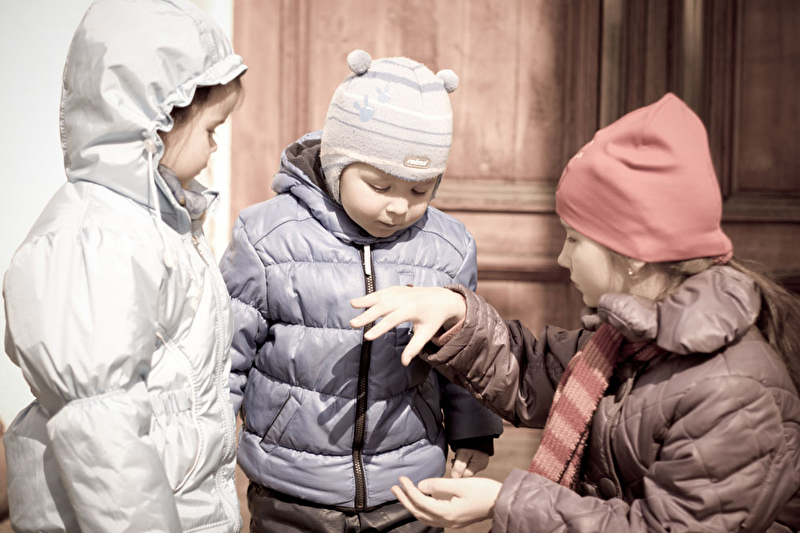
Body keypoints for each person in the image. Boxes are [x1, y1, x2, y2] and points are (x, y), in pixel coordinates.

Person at [350, 93, 800, 532]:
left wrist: (506, 503)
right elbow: (533, 372)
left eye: (574, 238)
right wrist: (455, 314)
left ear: (633, 254)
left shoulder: (735, 394)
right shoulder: (629, 339)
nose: (562, 258)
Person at [219, 50, 503, 532]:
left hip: (408, 485)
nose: (399, 207)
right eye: (380, 186)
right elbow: (226, 353)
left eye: (419, 191)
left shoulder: (448, 248)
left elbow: (465, 352)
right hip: (292, 488)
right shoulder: (267, 238)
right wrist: (211, 438)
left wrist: (474, 430)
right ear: (337, 164)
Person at [2, 1, 246, 531]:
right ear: (156, 121)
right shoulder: (93, 240)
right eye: (212, 129)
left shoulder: (156, 225)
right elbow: (100, 430)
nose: (213, 148)